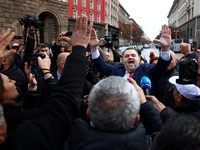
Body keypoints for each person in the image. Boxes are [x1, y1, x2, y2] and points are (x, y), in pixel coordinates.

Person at [0, 14, 93, 150]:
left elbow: (27, 112)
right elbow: (61, 105)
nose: (13, 81)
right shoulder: (24, 138)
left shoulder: (10, 115)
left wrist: (32, 91)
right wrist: (78, 49)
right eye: (7, 80)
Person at [65, 77, 163, 150]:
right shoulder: (147, 145)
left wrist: (88, 103)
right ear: (136, 120)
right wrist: (145, 105)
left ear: (88, 114)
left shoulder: (68, 141)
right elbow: (159, 134)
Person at [89, 24, 172, 86]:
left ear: (139, 58)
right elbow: (101, 65)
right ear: (122, 60)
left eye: (133, 55)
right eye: (127, 56)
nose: (130, 57)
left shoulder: (146, 70)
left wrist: (165, 49)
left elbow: (161, 67)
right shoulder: (116, 69)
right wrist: (93, 48)